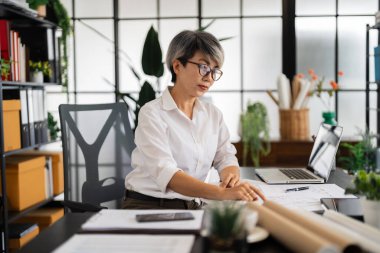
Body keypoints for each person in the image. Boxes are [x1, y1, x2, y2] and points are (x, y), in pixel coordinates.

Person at [123, 30, 266, 210]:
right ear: (177, 67)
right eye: (203, 67)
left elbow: (226, 156)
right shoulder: (152, 113)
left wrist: (230, 174)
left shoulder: (213, 114)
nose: (208, 77)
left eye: (214, 71)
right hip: (149, 206)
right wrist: (222, 194)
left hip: (192, 205)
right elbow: (168, 175)